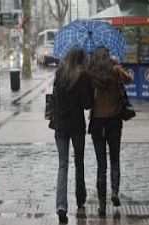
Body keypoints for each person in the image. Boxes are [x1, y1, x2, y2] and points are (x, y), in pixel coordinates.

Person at [51, 46, 93, 224]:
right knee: (79, 162)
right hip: (76, 126)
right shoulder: (82, 76)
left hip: (61, 125)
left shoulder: (59, 74)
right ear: (80, 59)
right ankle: (80, 199)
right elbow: (87, 104)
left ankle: (61, 205)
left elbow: (54, 98)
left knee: (63, 164)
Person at [88, 46, 132, 216]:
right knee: (115, 158)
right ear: (107, 57)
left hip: (97, 123)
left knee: (101, 164)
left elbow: (87, 98)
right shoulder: (115, 70)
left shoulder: (91, 75)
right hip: (114, 121)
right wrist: (116, 64)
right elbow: (129, 79)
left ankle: (101, 203)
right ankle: (114, 192)